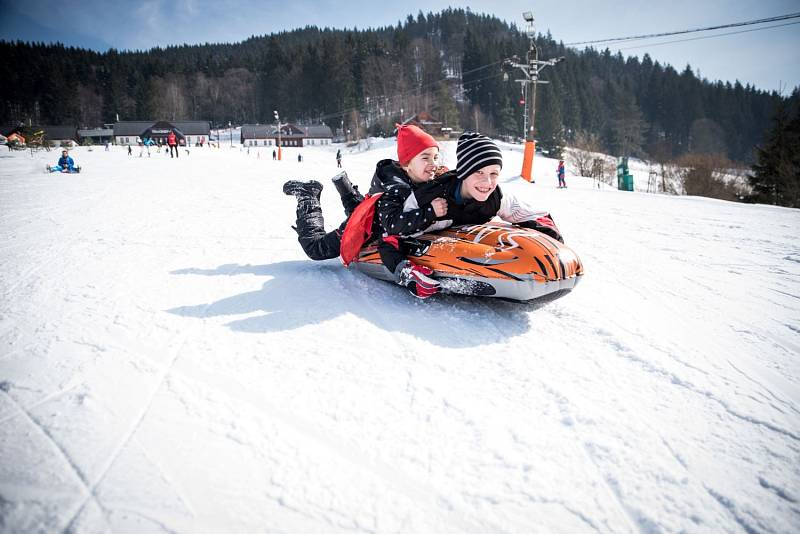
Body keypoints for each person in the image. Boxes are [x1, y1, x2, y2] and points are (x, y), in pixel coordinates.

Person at [375, 132, 564, 298]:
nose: (487, 182)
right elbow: (390, 234)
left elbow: (529, 214)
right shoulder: (433, 199)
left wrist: (554, 241)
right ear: (463, 172)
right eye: (479, 172)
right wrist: (406, 271)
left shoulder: (495, 196)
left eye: (494, 173)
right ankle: (347, 193)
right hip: (394, 217)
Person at [282, 125, 441, 287]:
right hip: (363, 227)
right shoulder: (396, 189)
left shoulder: (419, 176)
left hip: (371, 213)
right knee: (316, 248)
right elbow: (392, 226)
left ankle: (344, 186)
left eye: (436, 157)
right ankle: (308, 197)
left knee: (360, 208)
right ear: (407, 164)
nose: (434, 163)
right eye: (425, 158)